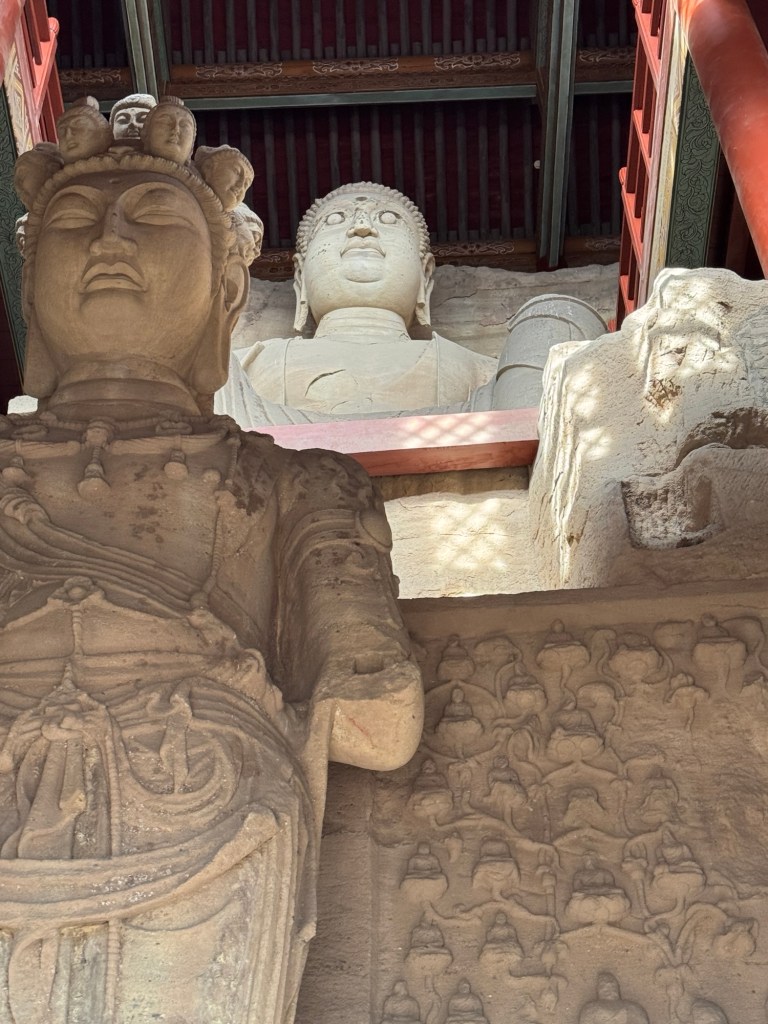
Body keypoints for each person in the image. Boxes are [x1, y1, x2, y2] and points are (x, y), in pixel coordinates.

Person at [0, 95, 423, 1024]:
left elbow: (381, 716)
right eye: (74, 222)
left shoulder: (299, 482)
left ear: (227, 288)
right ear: (28, 282)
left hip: (203, 806)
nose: (110, 238)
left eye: (152, 217)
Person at [216, 182, 497, 423]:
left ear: (425, 274)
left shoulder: (481, 372)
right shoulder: (237, 368)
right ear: (300, 276)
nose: (362, 228)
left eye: (388, 219)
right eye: (335, 220)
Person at [578, 973, 649, 1024]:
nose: (609, 985)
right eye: (604, 985)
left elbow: (642, 1021)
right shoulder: (590, 1008)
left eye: (612, 984)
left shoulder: (632, 1008)